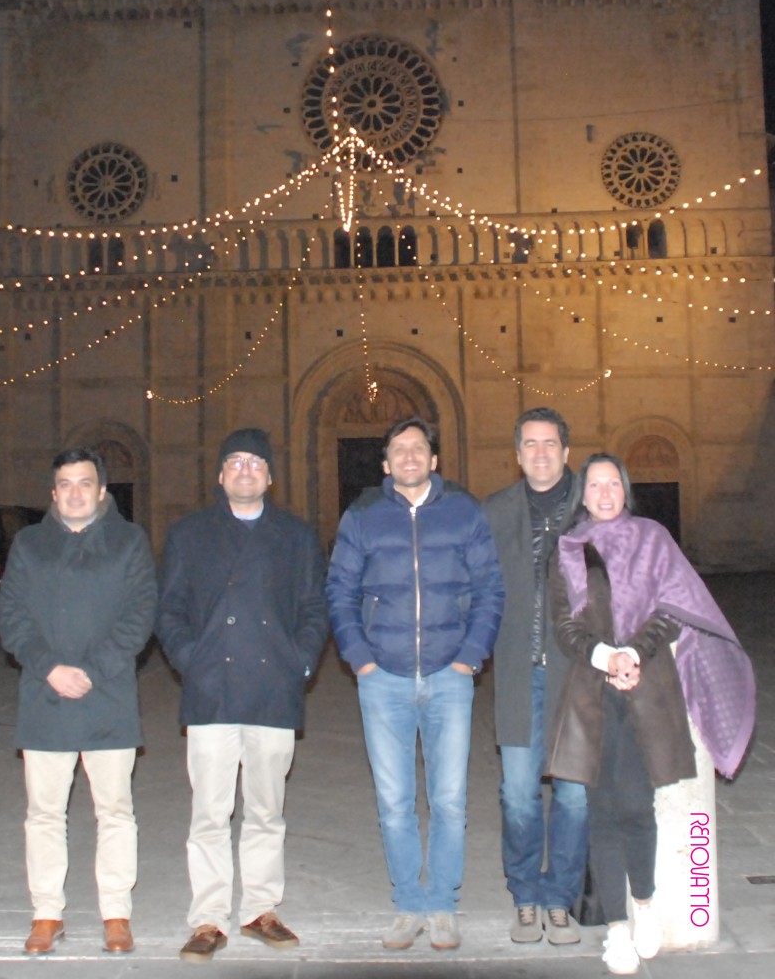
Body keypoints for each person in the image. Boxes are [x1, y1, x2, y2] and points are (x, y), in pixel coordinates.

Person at [548, 453, 755, 975]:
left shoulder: (653, 539)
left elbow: (672, 608)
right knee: (600, 811)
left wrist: (633, 653)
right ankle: (615, 928)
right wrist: (607, 657)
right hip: (593, 693)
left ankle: (644, 906)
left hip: (648, 687)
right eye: (593, 483)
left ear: (625, 489)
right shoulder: (570, 549)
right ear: (583, 494)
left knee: (638, 805)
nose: (603, 491)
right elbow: (564, 626)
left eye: (612, 482)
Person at [326, 416, 504, 952]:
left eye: (418, 448)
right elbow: (339, 590)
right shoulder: (362, 518)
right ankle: (408, 902)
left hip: (450, 676)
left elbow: (490, 586)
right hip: (384, 679)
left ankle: (443, 906)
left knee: (449, 800)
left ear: (435, 460)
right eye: (399, 450)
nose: (409, 456)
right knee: (394, 800)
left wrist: (471, 655)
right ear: (385, 464)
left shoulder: (463, 512)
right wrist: (359, 658)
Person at [157, 428, 328, 964]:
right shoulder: (190, 534)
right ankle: (207, 918)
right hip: (212, 691)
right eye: (235, 462)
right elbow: (169, 610)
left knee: (266, 811)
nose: (246, 470)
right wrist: (190, 660)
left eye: (256, 462)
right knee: (209, 813)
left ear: (270, 476)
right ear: (220, 475)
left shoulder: (297, 537)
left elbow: (314, 609)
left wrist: (299, 662)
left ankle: (260, 909)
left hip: (272, 691)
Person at [0, 447, 157, 956]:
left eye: (84, 483)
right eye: (65, 484)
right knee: (44, 813)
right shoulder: (29, 544)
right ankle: (47, 913)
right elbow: (13, 615)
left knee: (115, 811)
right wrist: (50, 667)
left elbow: (140, 614)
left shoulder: (129, 542)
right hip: (46, 696)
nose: (74, 492)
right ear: (53, 492)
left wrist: (92, 670)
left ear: (102, 490)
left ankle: (116, 913)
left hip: (106, 694)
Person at [483, 407, 587, 945]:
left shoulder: (593, 508)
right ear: (517, 453)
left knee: (573, 795)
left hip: (578, 678)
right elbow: (474, 584)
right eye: (531, 444)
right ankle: (525, 894)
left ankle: (559, 898)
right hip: (520, 673)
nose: (541, 452)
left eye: (551, 444)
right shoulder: (496, 511)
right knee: (518, 792)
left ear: (566, 452)